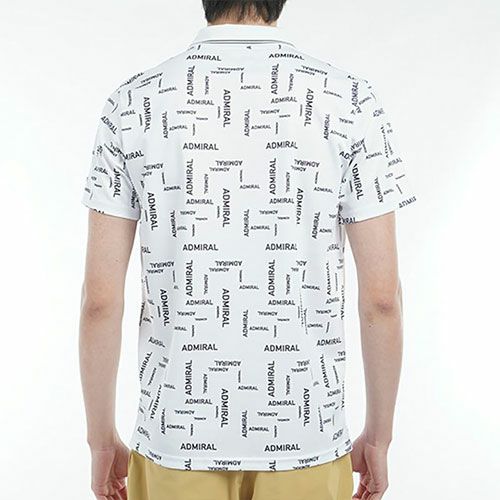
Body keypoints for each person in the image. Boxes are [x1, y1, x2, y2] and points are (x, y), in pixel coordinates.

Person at [79, 1, 418, 499]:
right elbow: (383, 298)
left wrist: (99, 439)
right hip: (306, 436)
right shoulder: (349, 100)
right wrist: (380, 436)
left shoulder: (133, 103)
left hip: (177, 436)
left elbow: (100, 300)